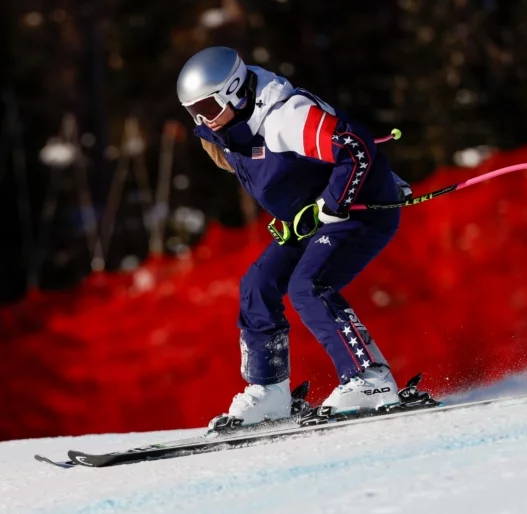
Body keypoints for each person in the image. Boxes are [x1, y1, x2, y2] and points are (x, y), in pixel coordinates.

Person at [177, 47, 413, 426]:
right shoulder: (226, 128)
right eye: (194, 112)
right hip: (311, 220)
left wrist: (333, 203)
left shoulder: (286, 117)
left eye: (208, 106)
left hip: (359, 211)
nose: (204, 120)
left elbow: (356, 149)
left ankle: (369, 379)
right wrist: (295, 215)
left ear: (235, 90)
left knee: (309, 285)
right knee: (257, 285)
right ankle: (269, 391)